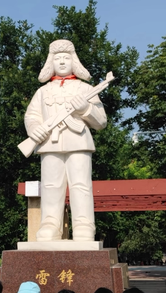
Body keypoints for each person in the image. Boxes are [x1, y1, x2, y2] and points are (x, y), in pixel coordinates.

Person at [23, 39, 107, 242]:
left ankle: (84, 225)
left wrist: (85, 110)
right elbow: (31, 116)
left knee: (81, 185)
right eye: (57, 58)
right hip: (49, 142)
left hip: (78, 142)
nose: (61, 62)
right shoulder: (42, 91)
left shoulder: (86, 89)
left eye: (66, 58)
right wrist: (35, 130)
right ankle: (50, 224)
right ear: (50, 62)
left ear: (74, 60)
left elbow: (101, 121)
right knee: (51, 186)